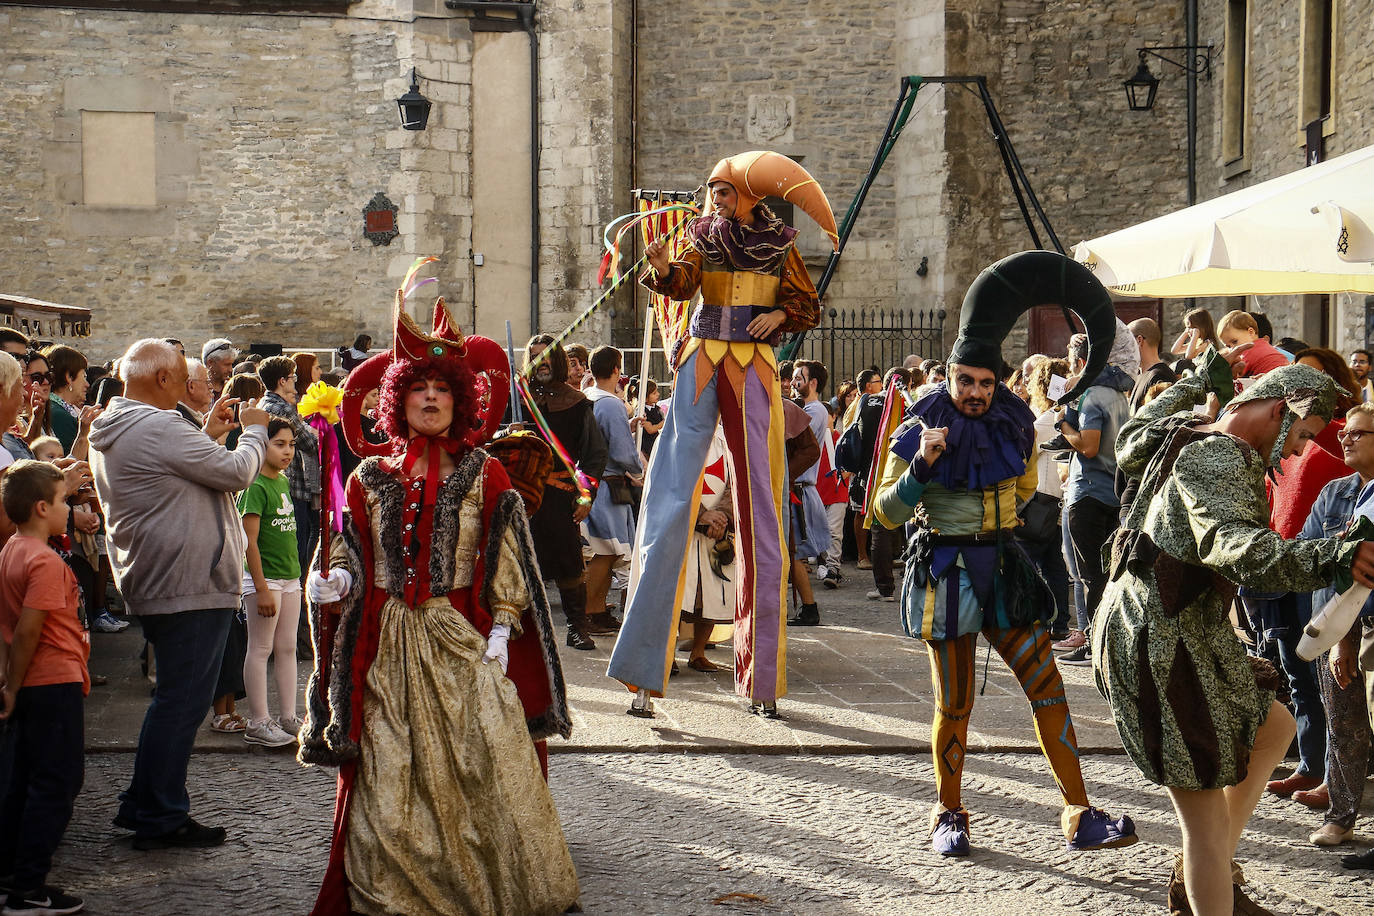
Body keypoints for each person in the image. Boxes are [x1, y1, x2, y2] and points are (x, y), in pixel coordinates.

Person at [301, 297, 578, 916]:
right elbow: (352, 552)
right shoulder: (368, 476)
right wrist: (337, 583)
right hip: (388, 640)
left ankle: (481, 885)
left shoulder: (486, 473)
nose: (429, 398)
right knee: (389, 771)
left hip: (462, 638)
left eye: (441, 389)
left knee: (482, 768)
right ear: (397, 400)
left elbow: (509, 559)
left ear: (460, 400)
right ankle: (397, 890)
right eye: (417, 388)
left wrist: (504, 631)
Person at [871, 250, 1135, 858]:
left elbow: (1018, 488)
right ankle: (949, 813)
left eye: (987, 384)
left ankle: (1078, 811)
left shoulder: (1012, 423)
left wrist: (1003, 516)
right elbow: (883, 511)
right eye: (967, 381)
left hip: (1005, 569)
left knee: (1048, 688)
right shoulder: (917, 427)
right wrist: (921, 471)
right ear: (950, 377)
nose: (977, 393)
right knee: (954, 703)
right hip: (949, 574)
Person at [1094, 358, 1374, 914]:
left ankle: (1213, 863)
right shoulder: (1220, 458)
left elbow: (1130, 440)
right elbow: (1241, 549)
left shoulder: (1190, 433)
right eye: (1300, 435)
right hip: (1162, 643)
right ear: (1278, 410)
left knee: (1276, 726)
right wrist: (1337, 558)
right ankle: (1210, 879)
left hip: (1173, 631)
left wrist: (1197, 387)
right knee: (1200, 819)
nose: (1299, 452)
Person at [607, 150, 837, 719]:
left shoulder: (779, 242)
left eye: (725, 191)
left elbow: (807, 302)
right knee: (668, 499)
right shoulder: (700, 235)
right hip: (702, 360)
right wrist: (660, 266)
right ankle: (642, 673)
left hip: (754, 365)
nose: (716, 199)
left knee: (761, 500)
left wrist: (780, 318)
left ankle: (761, 680)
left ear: (749, 195)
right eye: (713, 190)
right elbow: (682, 285)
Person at [91, 339, 268, 850]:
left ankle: (147, 805)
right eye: (184, 378)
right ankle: (160, 815)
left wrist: (207, 433)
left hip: (166, 578)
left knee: (175, 700)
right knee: (182, 704)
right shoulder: (156, 425)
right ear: (164, 381)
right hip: (186, 582)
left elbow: (180, 477)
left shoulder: (126, 423)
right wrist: (254, 431)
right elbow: (236, 471)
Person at [0, 460, 87, 916]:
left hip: (34, 682)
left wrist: (9, 681)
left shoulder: (11, 550)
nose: (67, 508)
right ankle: (29, 886)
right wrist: (12, 684)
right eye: (61, 501)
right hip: (52, 681)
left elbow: (6, 627)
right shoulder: (44, 561)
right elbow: (30, 630)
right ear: (40, 508)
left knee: (23, 780)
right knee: (58, 781)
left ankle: (11, 872)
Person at [1300, 401, 1374, 852]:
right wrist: (1337, 639)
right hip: (1337, 625)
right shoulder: (1335, 493)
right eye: (1346, 431)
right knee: (1343, 724)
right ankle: (1340, 817)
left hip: (1370, 626)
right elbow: (1309, 558)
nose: (1345, 438)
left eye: (1359, 433)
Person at [1055, 323, 1135, 665]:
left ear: (1081, 362)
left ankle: (1095, 645)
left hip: (1088, 494)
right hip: (1113, 493)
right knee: (1107, 574)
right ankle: (1110, 643)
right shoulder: (1119, 395)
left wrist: (1064, 425)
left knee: (1090, 577)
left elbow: (1087, 446)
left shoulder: (1091, 395)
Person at [523, 335, 608, 649]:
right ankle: (521, 630)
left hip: (559, 496)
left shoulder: (576, 402)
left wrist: (586, 497)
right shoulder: (516, 398)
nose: (541, 362)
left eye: (546, 356)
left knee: (570, 565)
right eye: (534, 357)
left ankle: (577, 627)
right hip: (521, 497)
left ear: (557, 360)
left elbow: (595, 455)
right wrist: (508, 432)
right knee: (519, 564)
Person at [238, 418, 302, 748]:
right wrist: (261, 588)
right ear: (261, 446)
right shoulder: (255, 486)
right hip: (265, 581)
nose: (287, 450)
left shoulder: (282, 481)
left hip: (290, 578)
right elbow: (249, 542)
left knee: (287, 647)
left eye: (290, 444)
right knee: (261, 648)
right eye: (279, 444)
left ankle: (289, 716)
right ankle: (258, 720)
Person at [582, 346, 641, 631]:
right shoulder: (610, 403)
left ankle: (596, 608)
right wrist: (639, 471)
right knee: (605, 551)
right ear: (617, 370)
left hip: (594, 482)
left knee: (608, 551)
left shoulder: (588, 397)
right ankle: (589, 611)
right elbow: (620, 451)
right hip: (607, 485)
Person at [258, 355, 320, 593]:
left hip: (282, 481)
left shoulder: (267, 403)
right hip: (290, 483)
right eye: (292, 378)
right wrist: (322, 432)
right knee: (296, 544)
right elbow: (309, 443)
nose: (295, 382)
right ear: (282, 381)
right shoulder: (282, 408)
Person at [788, 359, 832, 624]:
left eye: (798, 378)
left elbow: (800, 445)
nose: (793, 383)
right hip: (800, 488)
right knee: (795, 555)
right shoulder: (809, 409)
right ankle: (806, 606)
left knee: (792, 553)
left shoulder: (813, 411)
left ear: (812, 383)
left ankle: (809, 607)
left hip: (799, 489)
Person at [43, 345, 88, 455]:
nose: (87, 384)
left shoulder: (56, 408)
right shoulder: (59, 415)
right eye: (84, 376)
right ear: (69, 377)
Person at [1217, 310, 1290, 377]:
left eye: (1235, 341)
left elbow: (1237, 374)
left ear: (1251, 332)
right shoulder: (1264, 345)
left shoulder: (1249, 350)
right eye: (1228, 346)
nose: (1233, 349)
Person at [1128, 318, 1177, 411]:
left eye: (1126, 341)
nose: (1124, 348)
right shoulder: (1139, 375)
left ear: (1139, 340)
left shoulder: (1161, 376)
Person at [175, 358, 213, 427]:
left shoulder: (192, 415)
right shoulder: (180, 420)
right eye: (207, 382)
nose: (211, 387)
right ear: (191, 386)